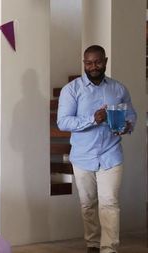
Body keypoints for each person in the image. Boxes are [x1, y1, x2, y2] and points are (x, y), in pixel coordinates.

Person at [57, 45, 137, 253]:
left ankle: (109, 248)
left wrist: (128, 125)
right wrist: (93, 118)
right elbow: (63, 122)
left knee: (109, 201)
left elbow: (131, 115)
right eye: (89, 63)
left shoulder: (119, 89)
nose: (93, 66)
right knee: (88, 204)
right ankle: (92, 243)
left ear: (106, 61)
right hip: (83, 156)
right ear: (84, 63)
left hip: (111, 154)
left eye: (98, 62)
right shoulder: (71, 90)